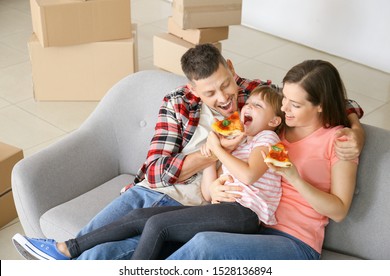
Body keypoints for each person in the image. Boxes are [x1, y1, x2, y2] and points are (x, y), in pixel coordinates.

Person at [15, 44, 364, 260]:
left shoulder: (275, 110)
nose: (225, 97)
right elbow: (155, 171)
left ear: (231, 68)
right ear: (193, 89)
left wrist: (354, 125)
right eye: (211, 92)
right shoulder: (183, 105)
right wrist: (213, 162)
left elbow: (319, 100)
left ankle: (69, 255)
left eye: (227, 83)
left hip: (258, 225)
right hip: (196, 198)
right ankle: (66, 254)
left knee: (183, 239)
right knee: (138, 211)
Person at [13, 85, 285, 260]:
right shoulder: (241, 142)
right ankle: (66, 249)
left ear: (274, 121)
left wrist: (215, 146)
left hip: (244, 215)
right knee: (139, 216)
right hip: (225, 209)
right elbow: (207, 188)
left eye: (258, 107)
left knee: (156, 225)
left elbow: (250, 175)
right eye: (248, 104)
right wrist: (214, 174)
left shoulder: (268, 140)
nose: (247, 108)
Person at [166, 59, 360, 260]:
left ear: (321, 105)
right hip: (250, 225)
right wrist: (214, 185)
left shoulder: (340, 141)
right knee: (175, 237)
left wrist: (295, 178)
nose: (284, 108)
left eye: (294, 105)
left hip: (295, 242)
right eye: (284, 98)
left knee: (204, 245)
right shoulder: (277, 127)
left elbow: (339, 211)